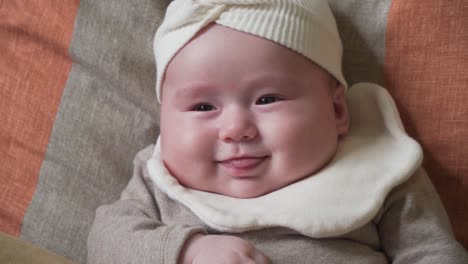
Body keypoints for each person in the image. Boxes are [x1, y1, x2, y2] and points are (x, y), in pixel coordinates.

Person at [87, 0, 468, 263]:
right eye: (203, 107)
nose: (236, 129)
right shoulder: (160, 181)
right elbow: (106, 241)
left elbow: (431, 252)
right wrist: (186, 252)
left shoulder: (380, 171)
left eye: (267, 99)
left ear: (336, 110)